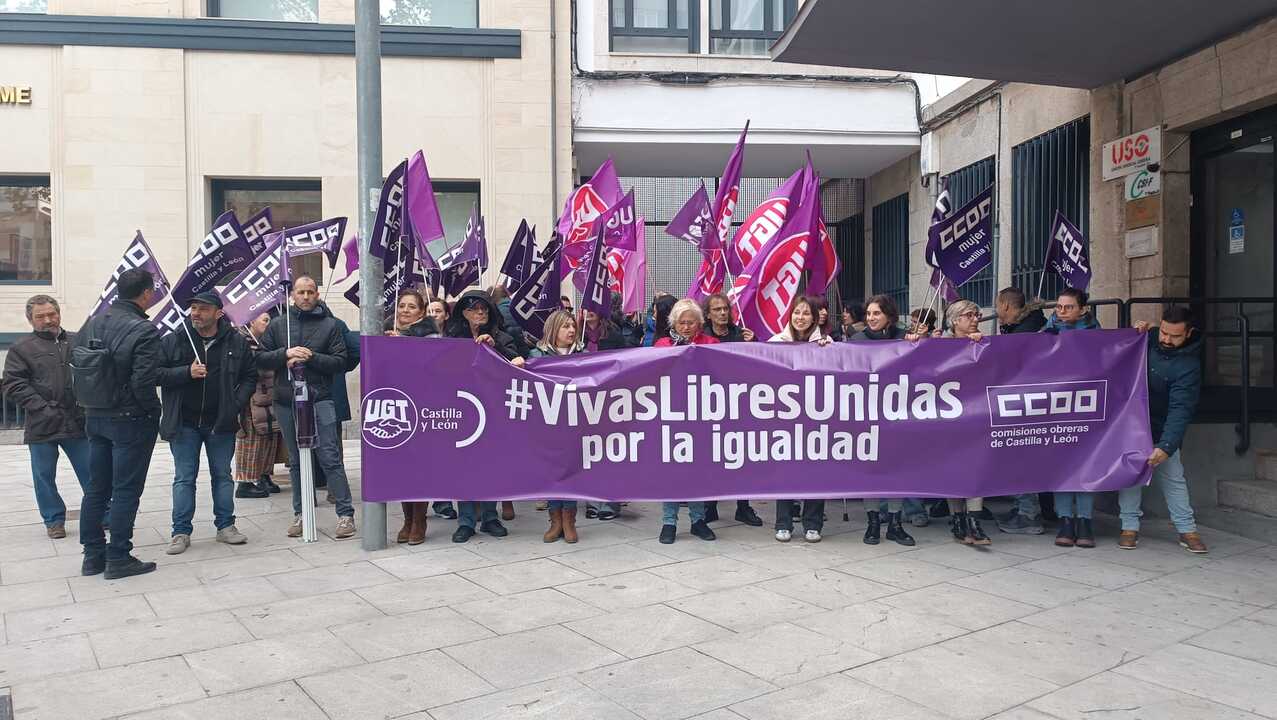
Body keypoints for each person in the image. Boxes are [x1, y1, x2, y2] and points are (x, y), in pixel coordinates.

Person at [72, 268, 162, 579]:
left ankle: (92, 556)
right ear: (146, 294)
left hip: (95, 414)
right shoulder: (144, 330)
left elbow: (76, 359)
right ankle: (119, 556)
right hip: (129, 418)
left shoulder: (95, 321)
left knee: (96, 489)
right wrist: (154, 412)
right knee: (125, 489)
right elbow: (143, 382)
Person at [257, 274, 357, 540]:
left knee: (330, 456)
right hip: (287, 401)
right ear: (293, 295)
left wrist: (311, 358)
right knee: (296, 460)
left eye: (310, 292)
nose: (305, 297)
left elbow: (340, 361)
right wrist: (285, 355)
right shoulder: (279, 325)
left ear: (317, 294)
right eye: (300, 292)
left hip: (320, 399)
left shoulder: (331, 325)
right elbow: (261, 358)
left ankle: (345, 515)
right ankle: (301, 513)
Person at [157, 292, 256, 554]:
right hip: (184, 423)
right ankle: (180, 532)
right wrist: (185, 373)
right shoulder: (175, 341)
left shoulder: (236, 341)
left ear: (218, 313)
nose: (196, 313)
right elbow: (155, 374)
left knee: (222, 475)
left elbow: (249, 376)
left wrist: (236, 403)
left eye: (202, 309)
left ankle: (226, 527)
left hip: (219, 422)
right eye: (193, 308)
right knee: (184, 478)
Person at [2, 294, 93, 539]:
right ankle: (54, 520)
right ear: (30, 320)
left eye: (51, 314)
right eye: (40, 316)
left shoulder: (77, 340)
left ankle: (101, 514)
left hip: (77, 421)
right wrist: (43, 408)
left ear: (59, 313)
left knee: (92, 472)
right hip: (42, 423)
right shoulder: (21, 348)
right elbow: (12, 384)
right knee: (43, 476)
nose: (48, 320)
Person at [1122, 307, 1208, 554]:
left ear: (1188, 333)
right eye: (1164, 333)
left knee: (1174, 478)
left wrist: (1167, 446)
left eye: (1175, 336)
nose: (1167, 340)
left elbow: (1181, 409)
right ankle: (1129, 527)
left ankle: (1187, 529)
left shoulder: (1189, 366)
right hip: (1131, 424)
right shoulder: (1148, 338)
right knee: (1130, 477)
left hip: (1162, 429)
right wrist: (1138, 331)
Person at [445, 289, 525, 542]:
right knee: (464, 467)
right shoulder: (453, 338)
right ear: (463, 312)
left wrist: (495, 347)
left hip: (493, 409)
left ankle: (490, 517)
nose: (480, 312)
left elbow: (518, 362)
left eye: (484, 308)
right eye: (474, 308)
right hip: (463, 410)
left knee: (491, 465)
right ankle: (466, 521)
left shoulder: (503, 336)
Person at [849, 295, 915, 547]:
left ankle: (895, 523)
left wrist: (919, 343)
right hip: (867, 416)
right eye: (868, 314)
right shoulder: (856, 341)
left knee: (897, 468)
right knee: (871, 470)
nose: (871, 318)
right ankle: (873, 522)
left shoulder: (904, 337)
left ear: (889, 315)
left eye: (876, 313)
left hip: (898, 415)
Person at [768, 296, 833, 543]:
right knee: (785, 470)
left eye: (806, 314)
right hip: (785, 418)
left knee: (817, 471)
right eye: (797, 313)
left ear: (814, 318)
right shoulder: (776, 343)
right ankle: (783, 523)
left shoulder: (826, 345)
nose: (801, 318)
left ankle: (813, 524)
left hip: (817, 417)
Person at [654, 299, 719, 543]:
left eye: (691, 322)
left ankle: (697, 520)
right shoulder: (662, 345)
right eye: (682, 322)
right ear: (674, 323)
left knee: (697, 471)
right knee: (671, 471)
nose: (687, 327)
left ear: (700, 323)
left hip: (701, 416)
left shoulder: (711, 344)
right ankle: (669, 522)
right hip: (672, 416)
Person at [1044, 287, 1101, 549]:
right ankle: (1066, 520)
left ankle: (1085, 521)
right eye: (1058, 307)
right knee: (1062, 464)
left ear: (1083, 310)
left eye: (1068, 307)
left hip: (1086, 405)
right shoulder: (1047, 332)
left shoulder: (1095, 334)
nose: (1062, 311)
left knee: (1085, 464)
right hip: (1057, 405)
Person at [700, 292, 763, 527]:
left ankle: (743, 507)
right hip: (711, 406)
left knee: (740, 457)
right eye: (717, 309)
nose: (723, 313)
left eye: (725, 308)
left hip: (738, 404)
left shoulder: (740, 334)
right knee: (712, 457)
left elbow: (756, 365)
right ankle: (710, 506)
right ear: (708, 314)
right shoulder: (702, 337)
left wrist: (753, 344)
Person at [994, 286, 1051, 535]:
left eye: (997, 306)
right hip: (1024, 401)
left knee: (1020, 457)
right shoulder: (1028, 326)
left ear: (1005, 305)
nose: (996, 311)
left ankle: (1029, 514)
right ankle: (1025, 508)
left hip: (1024, 404)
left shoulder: (1026, 332)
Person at [529, 310, 584, 543]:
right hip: (548, 421)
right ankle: (555, 520)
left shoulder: (585, 354)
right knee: (552, 471)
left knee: (570, 470)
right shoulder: (536, 354)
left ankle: (569, 520)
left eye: (572, 326)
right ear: (553, 329)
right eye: (565, 327)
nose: (571, 331)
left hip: (574, 421)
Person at [386, 289, 436, 544]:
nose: (405, 310)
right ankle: (407, 519)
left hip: (424, 408)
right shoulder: (385, 333)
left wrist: (404, 345)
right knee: (402, 468)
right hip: (396, 407)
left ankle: (420, 520)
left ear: (422, 311)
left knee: (420, 467)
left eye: (411, 307)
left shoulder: (431, 335)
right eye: (402, 306)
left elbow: (432, 365)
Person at [943, 300, 992, 545]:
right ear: (954, 320)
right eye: (969, 315)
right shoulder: (938, 344)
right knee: (952, 468)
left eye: (977, 315)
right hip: (947, 416)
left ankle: (975, 521)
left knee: (975, 466)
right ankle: (958, 520)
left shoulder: (985, 343)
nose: (975, 319)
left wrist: (982, 347)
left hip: (976, 414)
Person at [234, 312, 281, 499]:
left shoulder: (267, 341)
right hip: (250, 399)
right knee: (251, 440)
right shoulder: (241, 340)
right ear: (251, 320)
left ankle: (264, 475)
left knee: (269, 437)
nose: (268, 324)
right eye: (265, 320)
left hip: (268, 396)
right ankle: (245, 482)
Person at [424, 297, 458, 520]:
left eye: (438, 310)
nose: (434, 314)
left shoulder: (456, 338)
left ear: (446, 315)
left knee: (445, 457)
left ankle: (442, 501)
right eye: (430, 310)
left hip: (450, 404)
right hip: (424, 403)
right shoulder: (415, 336)